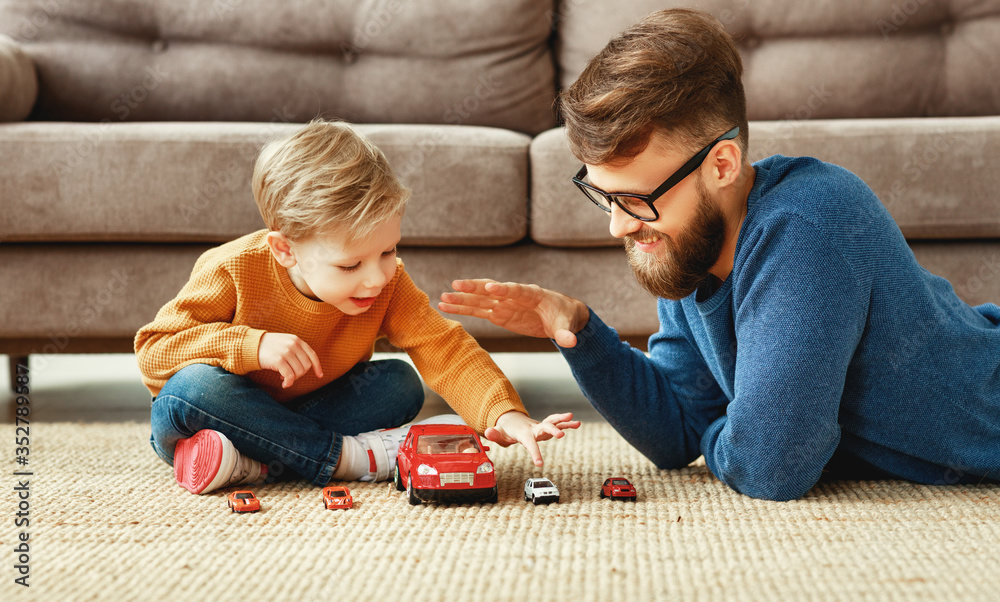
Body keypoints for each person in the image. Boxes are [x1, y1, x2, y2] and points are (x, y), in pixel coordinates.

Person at [439, 8, 1000, 501]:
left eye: (635, 198)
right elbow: (679, 429)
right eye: (603, 195)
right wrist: (581, 331)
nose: (617, 226)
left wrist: (733, 431)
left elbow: (770, 467)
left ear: (723, 165)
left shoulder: (809, 222)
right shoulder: (690, 247)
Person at [136, 119, 579, 495]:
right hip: (213, 412)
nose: (377, 276)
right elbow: (154, 352)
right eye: (350, 265)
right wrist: (251, 345)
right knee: (191, 388)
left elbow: (444, 348)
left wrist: (506, 414)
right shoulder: (232, 268)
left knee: (400, 384)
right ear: (285, 250)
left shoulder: (387, 284)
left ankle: (256, 460)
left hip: (305, 413)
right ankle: (344, 458)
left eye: (388, 252)